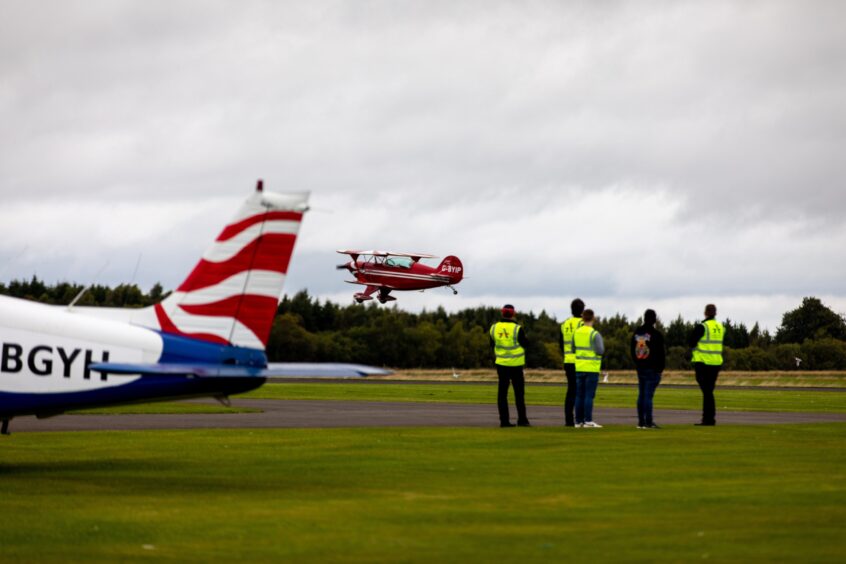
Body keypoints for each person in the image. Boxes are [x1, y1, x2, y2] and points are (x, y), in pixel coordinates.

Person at [489, 304, 530, 428]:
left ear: (502, 313)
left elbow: (492, 344)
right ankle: (522, 420)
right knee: (519, 394)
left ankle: (504, 421)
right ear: (513, 314)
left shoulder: (494, 328)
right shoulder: (517, 329)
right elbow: (525, 344)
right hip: (516, 365)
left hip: (501, 364)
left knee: (502, 394)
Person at [688, 304, 725, 426]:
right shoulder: (720, 327)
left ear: (705, 313)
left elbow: (691, 342)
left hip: (703, 362)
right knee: (708, 391)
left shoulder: (702, 326)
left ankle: (709, 419)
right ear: (715, 313)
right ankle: (708, 418)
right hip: (716, 363)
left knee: (707, 391)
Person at [630, 309, 666, 429]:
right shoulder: (656, 334)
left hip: (641, 367)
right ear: (654, 319)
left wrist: (637, 363)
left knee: (642, 395)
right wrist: (660, 368)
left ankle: (641, 421)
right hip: (652, 368)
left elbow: (632, 350)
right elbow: (661, 353)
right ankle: (648, 422)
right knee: (648, 396)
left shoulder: (637, 333)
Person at [572, 309, 604, 428]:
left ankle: (578, 421)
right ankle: (588, 420)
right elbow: (600, 351)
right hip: (592, 368)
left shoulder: (576, 332)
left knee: (579, 395)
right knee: (589, 395)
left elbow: (573, 349)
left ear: (582, 318)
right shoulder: (594, 334)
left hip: (579, 367)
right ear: (593, 318)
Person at [559, 298, 585, 427]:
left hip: (568, 360)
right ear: (582, 310)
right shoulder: (582, 324)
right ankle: (581, 418)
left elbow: (561, 343)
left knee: (571, 390)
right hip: (580, 361)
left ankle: (568, 419)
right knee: (581, 391)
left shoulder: (564, 324)